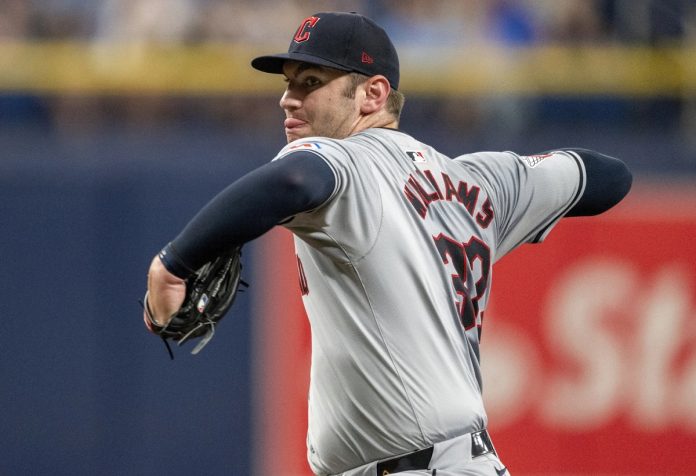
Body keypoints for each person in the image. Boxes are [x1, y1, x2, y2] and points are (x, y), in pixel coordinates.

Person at [143, 11, 632, 476]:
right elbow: (610, 176)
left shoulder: (345, 161)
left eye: (311, 83)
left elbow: (293, 181)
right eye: (288, 83)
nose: (288, 99)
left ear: (373, 94)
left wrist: (174, 264)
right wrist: (502, 180)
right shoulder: (478, 182)